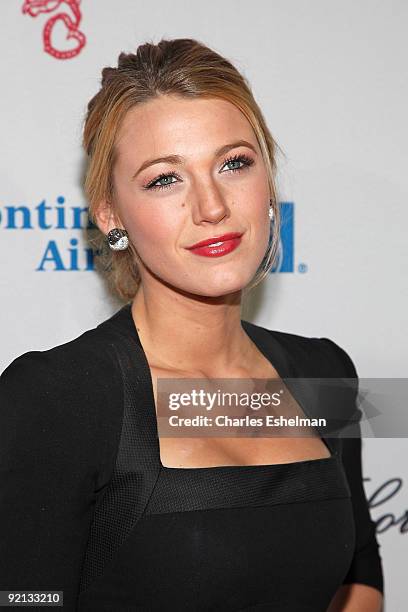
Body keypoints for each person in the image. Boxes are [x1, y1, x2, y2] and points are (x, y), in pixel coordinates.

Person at [0, 38, 384, 611]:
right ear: (111, 215)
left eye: (234, 163)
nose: (211, 206)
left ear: (268, 183)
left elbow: (358, 581)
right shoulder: (58, 396)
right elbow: (24, 600)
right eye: (165, 179)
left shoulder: (322, 371)